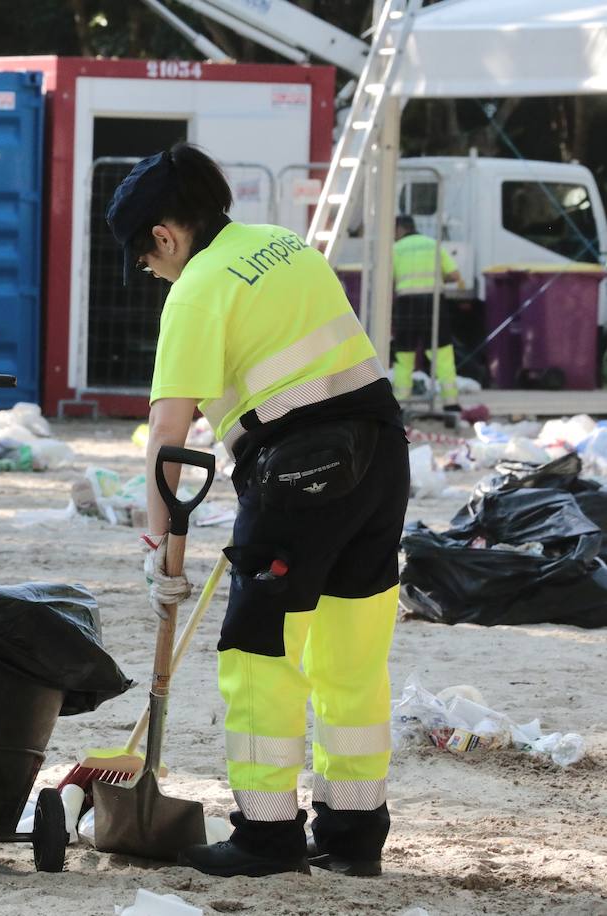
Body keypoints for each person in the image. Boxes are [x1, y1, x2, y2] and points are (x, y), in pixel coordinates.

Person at [105, 143, 410, 878]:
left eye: (145, 260)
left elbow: (169, 441)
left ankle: (267, 837)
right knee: (351, 656)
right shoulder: (283, 245)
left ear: (167, 238)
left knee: (258, 654)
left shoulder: (198, 286)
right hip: (381, 455)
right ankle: (353, 833)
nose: (150, 274)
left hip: (300, 471)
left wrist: (159, 552)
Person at [392, 214, 463, 408]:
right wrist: (438, 280)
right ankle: (451, 402)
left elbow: (388, 280)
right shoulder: (434, 244)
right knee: (442, 352)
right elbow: (455, 275)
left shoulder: (395, 249)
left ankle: (401, 401)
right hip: (434, 303)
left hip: (406, 304)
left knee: (404, 354)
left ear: (400, 229)